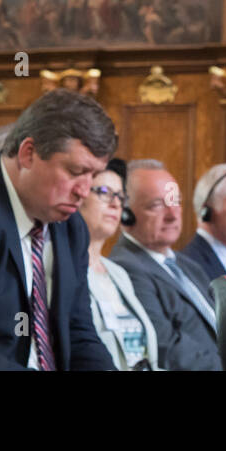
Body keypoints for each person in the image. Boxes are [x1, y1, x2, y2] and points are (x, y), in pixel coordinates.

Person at [0, 89, 116, 369]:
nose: (84, 191)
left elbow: (79, 335)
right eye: (76, 171)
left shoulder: (71, 227)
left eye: (93, 175)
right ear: (28, 153)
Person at [110, 160, 222, 370]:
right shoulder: (126, 268)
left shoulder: (187, 266)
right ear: (126, 215)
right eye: (157, 205)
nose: (172, 214)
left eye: (175, 201)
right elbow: (165, 347)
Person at [78, 158, 159, 370]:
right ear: (78, 196)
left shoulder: (118, 273)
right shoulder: (61, 269)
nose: (115, 204)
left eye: (120, 196)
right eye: (104, 192)